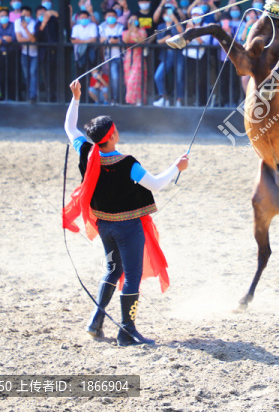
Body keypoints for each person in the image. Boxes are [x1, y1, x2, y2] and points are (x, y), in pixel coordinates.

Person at [63, 79, 189, 345]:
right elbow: (155, 183)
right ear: (112, 136)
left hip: (105, 228)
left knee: (111, 271)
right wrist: (177, 167)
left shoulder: (87, 152)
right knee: (131, 277)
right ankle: (127, 330)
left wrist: (76, 98)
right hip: (128, 229)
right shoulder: (126, 163)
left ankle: (96, 322)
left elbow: (69, 127)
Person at [153, 7, 185, 108]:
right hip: (167, 54)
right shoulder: (161, 26)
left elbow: (182, 32)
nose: (168, 16)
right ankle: (164, 98)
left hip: (178, 53)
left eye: (169, 14)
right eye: (166, 14)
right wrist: (166, 39)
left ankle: (178, 100)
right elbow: (158, 41)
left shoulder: (176, 24)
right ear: (163, 16)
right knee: (158, 76)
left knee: (179, 77)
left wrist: (175, 20)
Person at [98, 8, 125, 105]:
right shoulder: (102, 26)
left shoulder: (121, 26)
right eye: (109, 16)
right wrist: (109, 40)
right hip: (109, 57)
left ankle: (123, 99)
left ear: (117, 17)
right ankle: (115, 99)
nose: (111, 18)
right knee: (114, 77)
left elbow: (123, 38)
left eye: (113, 16)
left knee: (122, 79)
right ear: (105, 17)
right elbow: (101, 40)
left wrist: (116, 40)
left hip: (122, 56)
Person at [71, 10, 99, 102]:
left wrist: (81, 41)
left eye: (85, 17)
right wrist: (86, 40)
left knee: (91, 76)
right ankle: (81, 98)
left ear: (89, 18)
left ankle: (90, 98)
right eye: (81, 18)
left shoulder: (93, 26)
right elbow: (73, 40)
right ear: (78, 18)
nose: (84, 19)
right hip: (79, 55)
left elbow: (93, 39)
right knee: (80, 77)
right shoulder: (76, 27)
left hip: (90, 55)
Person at [36, 5, 60, 102]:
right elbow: (37, 36)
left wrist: (52, 14)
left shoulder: (53, 21)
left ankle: (59, 97)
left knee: (58, 75)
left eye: (44, 13)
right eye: (40, 14)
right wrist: (43, 23)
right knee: (47, 76)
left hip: (56, 52)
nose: (43, 15)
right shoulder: (38, 24)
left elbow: (60, 19)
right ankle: (50, 97)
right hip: (45, 54)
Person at [0, 8, 18, 100]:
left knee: (12, 77)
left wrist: (1, 39)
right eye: (2, 16)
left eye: (6, 16)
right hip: (1, 55)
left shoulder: (13, 25)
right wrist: (4, 39)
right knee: (2, 77)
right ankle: (3, 96)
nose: (4, 17)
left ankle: (12, 97)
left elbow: (12, 38)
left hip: (12, 54)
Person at [15, 6, 38, 102]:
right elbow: (19, 39)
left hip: (35, 53)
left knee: (33, 73)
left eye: (28, 15)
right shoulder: (17, 22)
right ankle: (29, 94)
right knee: (26, 75)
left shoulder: (33, 23)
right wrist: (29, 39)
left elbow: (33, 40)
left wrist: (25, 28)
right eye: (24, 15)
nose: (26, 17)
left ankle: (33, 95)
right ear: (21, 15)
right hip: (24, 52)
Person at [122, 16, 147, 106]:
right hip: (129, 58)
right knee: (128, 80)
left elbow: (142, 41)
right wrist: (130, 30)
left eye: (135, 20)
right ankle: (131, 101)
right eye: (131, 20)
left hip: (138, 56)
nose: (133, 21)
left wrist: (136, 31)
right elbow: (125, 40)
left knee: (136, 79)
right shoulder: (125, 32)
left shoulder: (142, 31)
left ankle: (139, 101)